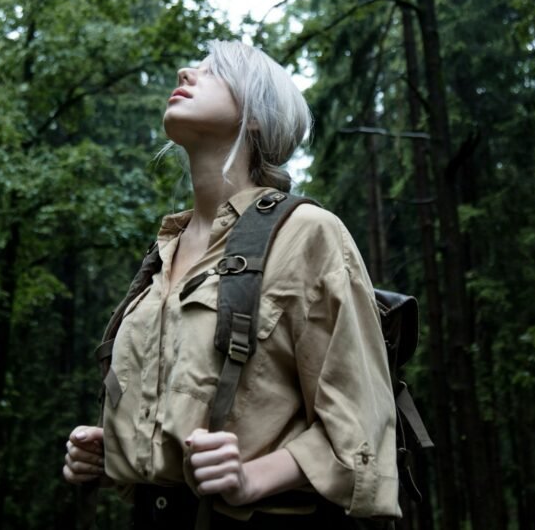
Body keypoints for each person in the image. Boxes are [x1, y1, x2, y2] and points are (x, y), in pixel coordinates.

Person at [63, 41, 399, 528]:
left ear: (256, 116)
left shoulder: (306, 234)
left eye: (213, 71)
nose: (185, 71)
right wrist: (111, 453)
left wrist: (251, 478)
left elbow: (361, 425)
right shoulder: (163, 254)